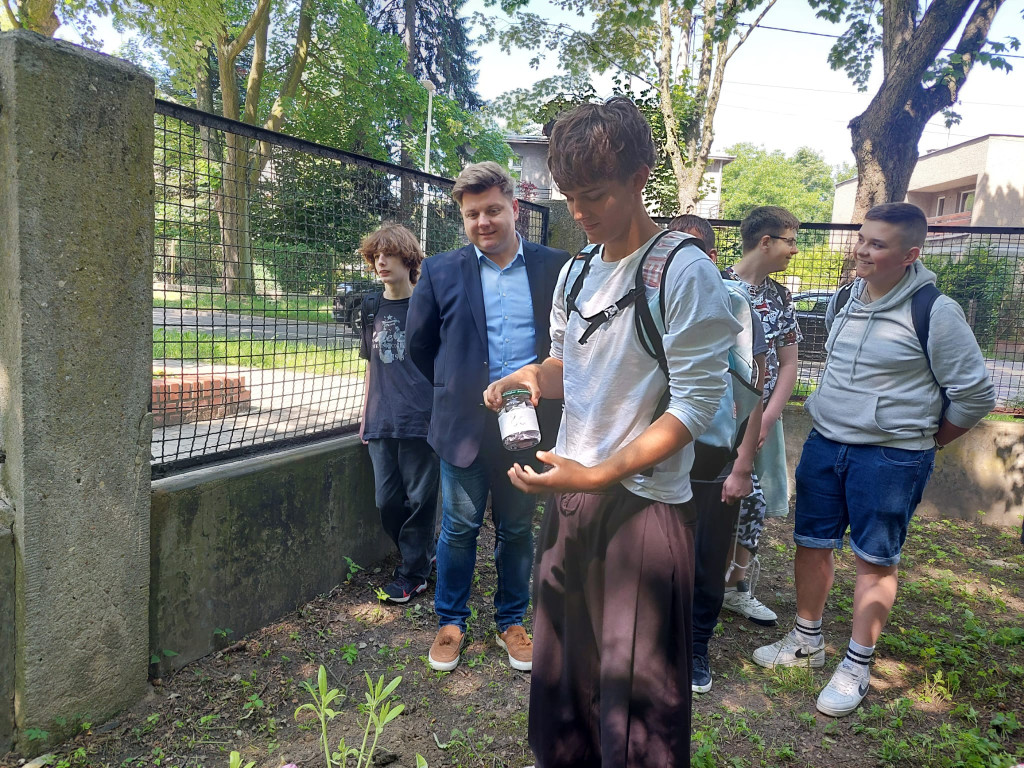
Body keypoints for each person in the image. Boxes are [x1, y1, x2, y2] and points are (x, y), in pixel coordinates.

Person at [484, 98, 739, 767]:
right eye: (570, 197)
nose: (580, 212)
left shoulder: (683, 272)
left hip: (645, 512)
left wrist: (599, 473)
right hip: (570, 500)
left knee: (636, 700)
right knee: (566, 677)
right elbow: (573, 366)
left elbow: (694, 408)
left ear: (639, 177)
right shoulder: (577, 271)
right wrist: (532, 379)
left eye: (593, 194)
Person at [753, 202, 996, 717]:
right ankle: (807, 642)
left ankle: (857, 664)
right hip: (825, 443)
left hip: (891, 458)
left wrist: (928, 440)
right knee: (811, 543)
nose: (862, 249)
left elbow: (974, 395)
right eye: (861, 239)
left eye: (877, 244)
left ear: (909, 255)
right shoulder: (845, 296)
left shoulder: (936, 311)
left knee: (874, 559)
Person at [406, 162, 570, 673]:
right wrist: (457, 389)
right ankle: (451, 621)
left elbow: (568, 345)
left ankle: (511, 621)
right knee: (458, 527)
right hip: (464, 427)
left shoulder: (556, 267)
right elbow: (420, 346)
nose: (483, 222)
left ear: (514, 209)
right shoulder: (440, 271)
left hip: (531, 422)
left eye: (493, 210)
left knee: (518, 529)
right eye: (472, 213)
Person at [668, 214, 767, 695]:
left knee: (707, 557)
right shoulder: (652, 299)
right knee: (662, 553)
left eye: (690, 253)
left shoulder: (738, 309)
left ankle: (695, 647)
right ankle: (657, 640)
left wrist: (743, 464)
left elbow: (755, 392)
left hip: (713, 457)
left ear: (709, 259)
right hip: (659, 455)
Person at [719, 206, 804, 626]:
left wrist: (768, 418)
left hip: (763, 420)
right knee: (714, 496)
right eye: (790, 241)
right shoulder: (715, 286)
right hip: (718, 416)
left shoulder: (779, 296)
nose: (795, 250)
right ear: (766, 242)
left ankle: (737, 586)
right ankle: (703, 578)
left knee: (754, 500)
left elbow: (788, 364)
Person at [357, 223, 438, 603]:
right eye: (375, 256)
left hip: (421, 419)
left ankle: (413, 572)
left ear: (409, 259)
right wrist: (364, 414)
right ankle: (420, 555)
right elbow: (372, 363)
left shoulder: (428, 306)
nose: (381, 262)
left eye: (388, 255)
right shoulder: (371, 307)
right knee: (385, 501)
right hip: (380, 420)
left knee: (421, 500)